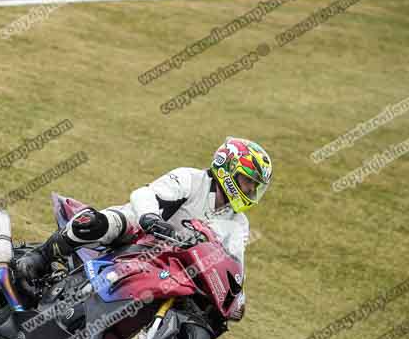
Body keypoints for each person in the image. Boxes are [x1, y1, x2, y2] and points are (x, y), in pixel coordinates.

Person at [15, 137, 273, 321]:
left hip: (174, 263)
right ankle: (39, 257)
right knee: (96, 223)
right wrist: (150, 217)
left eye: (254, 186)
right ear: (227, 168)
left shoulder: (238, 223)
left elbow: (234, 262)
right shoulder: (190, 178)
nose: (250, 190)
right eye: (247, 181)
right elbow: (146, 194)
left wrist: (237, 297)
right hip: (141, 230)